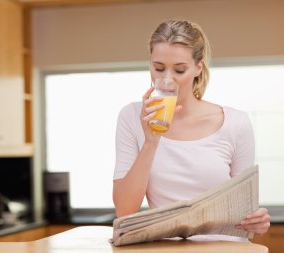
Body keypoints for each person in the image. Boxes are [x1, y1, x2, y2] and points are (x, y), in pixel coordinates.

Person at [112, 20, 270, 239]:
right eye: (158, 68)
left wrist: (257, 221)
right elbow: (124, 211)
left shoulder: (236, 123)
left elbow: (244, 210)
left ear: (198, 67)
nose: (167, 79)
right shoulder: (131, 118)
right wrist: (151, 141)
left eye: (179, 70)